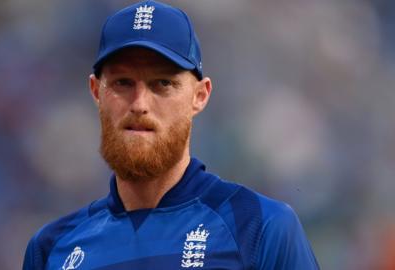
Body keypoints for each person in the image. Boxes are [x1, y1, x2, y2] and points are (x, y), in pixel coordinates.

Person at [22, 1, 319, 269]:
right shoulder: (51, 250)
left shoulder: (259, 228)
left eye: (162, 84)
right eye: (123, 83)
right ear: (96, 91)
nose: (139, 104)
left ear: (200, 96)